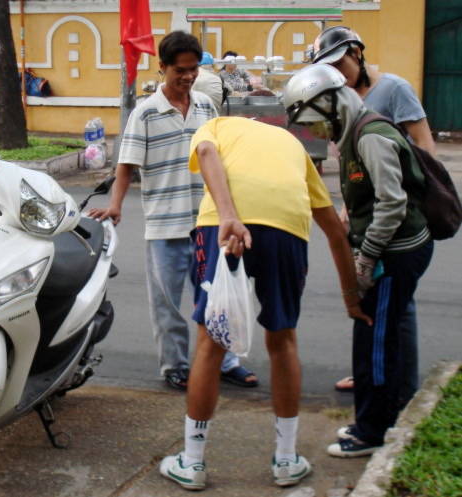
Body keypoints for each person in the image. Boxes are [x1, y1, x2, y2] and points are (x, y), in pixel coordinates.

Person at [158, 114, 370, 490]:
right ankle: (286, 460)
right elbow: (335, 233)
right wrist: (352, 299)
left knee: (210, 342)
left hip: (221, 225)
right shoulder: (293, 146)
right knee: (282, 338)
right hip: (286, 229)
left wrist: (229, 216)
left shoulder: (219, 124)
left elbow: (205, 151)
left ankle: (191, 463)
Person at [88, 31, 258, 391]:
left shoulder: (205, 107)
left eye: (194, 69)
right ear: (162, 67)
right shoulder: (145, 113)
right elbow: (126, 166)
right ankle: (175, 366)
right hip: (165, 226)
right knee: (167, 304)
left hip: (207, 223)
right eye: (180, 70)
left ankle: (226, 361)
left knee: (216, 297)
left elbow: (221, 162)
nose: (188, 76)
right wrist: (115, 206)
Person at [284, 63, 434, 457]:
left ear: (332, 104)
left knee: (377, 341)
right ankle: (397, 413)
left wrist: (365, 258)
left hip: (394, 253)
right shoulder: (354, 129)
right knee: (385, 333)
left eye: (317, 122)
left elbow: (392, 204)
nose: (318, 133)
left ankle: (373, 431)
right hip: (391, 249)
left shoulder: (370, 136)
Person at [311, 26, 435, 395]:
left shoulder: (393, 89)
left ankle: (401, 383)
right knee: (374, 303)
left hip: (396, 214)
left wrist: (416, 202)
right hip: (364, 216)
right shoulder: (338, 97)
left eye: (341, 63)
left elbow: (423, 145)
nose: (339, 73)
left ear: (358, 54)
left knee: (398, 307)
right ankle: (370, 370)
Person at [192, 51, 229, 115]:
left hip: (196, 116)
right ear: (212, 64)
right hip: (214, 116)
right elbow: (230, 90)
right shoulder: (217, 77)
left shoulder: (192, 77)